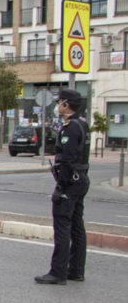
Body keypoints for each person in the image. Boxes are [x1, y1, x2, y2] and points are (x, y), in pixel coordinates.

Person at [36, 89, 90, 284]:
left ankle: (58, 272)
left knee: (62, 226)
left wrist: (61, 186)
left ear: (66, 105)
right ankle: (76, 270)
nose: (57, 105)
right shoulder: (83, 125)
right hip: (82, 179)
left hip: (70, 182)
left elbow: (67, 159)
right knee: (77, 226)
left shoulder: (69, 127)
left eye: (59, 102)